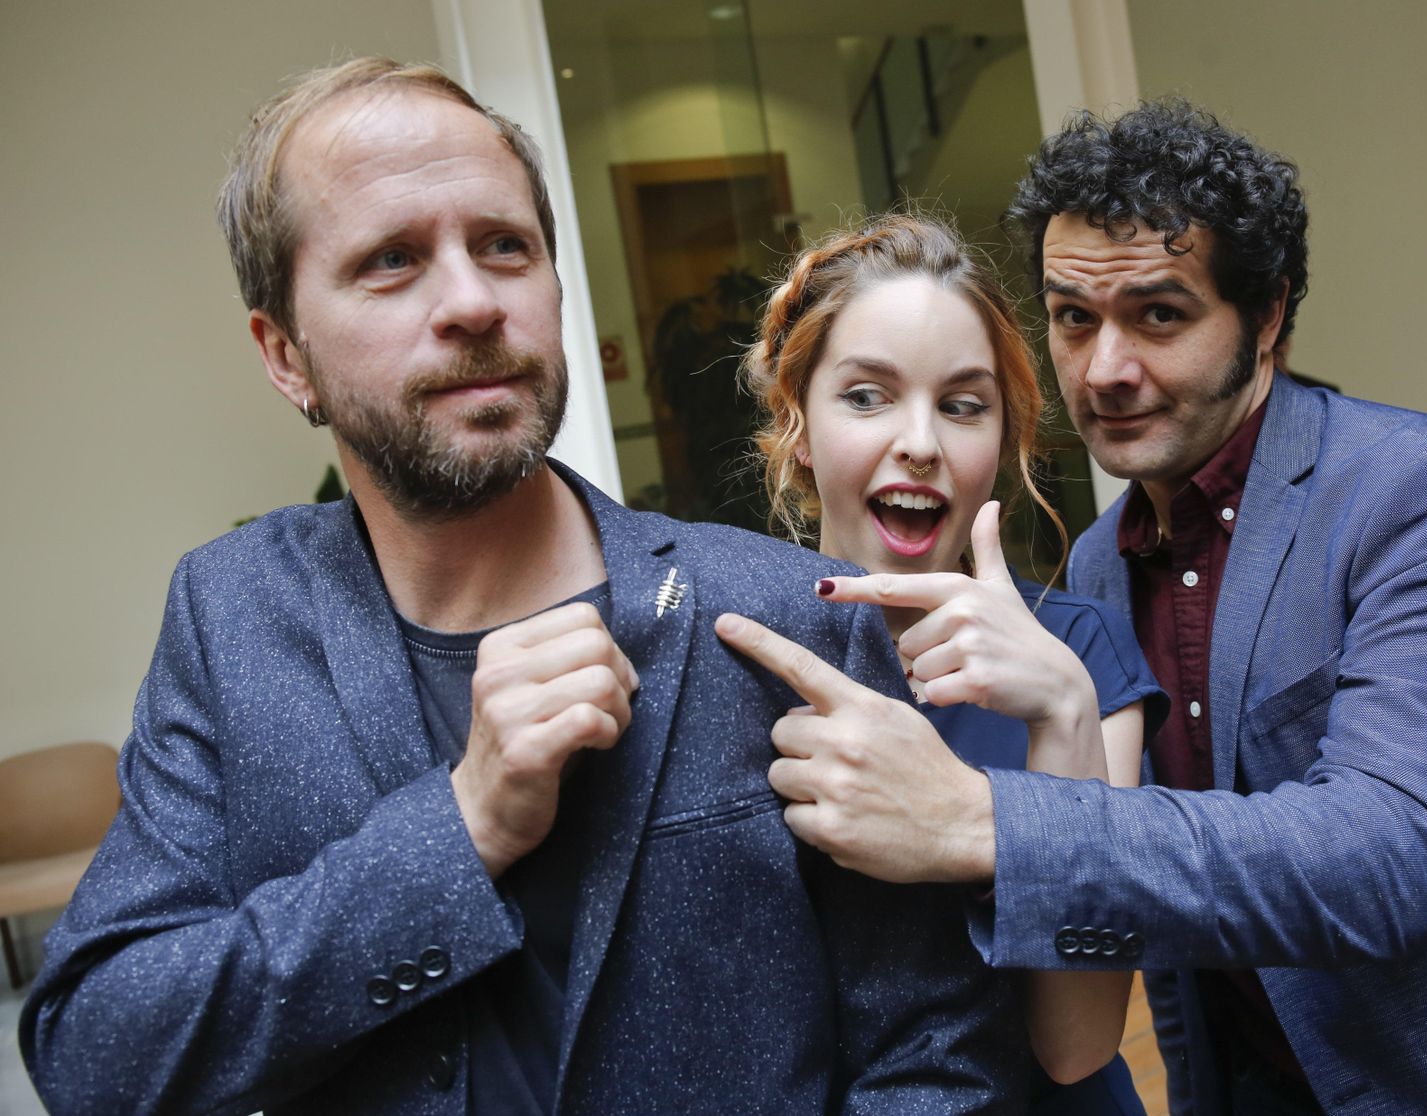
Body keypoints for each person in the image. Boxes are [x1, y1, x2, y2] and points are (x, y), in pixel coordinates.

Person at [19, 58, 1026, 1115]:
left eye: (504, 246)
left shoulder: (785, 618)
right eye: (392, 260)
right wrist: (458, 834)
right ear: (285, 356)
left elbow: (942, 1059)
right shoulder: (231, 618)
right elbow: (98, 1054)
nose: (470, 302)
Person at [716, 101, 1427, 1115]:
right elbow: (1158, 942)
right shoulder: (1098, 572)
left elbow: (1384, 857)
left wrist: (984, 820)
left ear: (1264, 319)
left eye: (1159, 316)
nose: (1105, 370)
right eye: (1074, 318)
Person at [741, 214, 1169, 1115]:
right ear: (799, 426)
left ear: (1002, 443)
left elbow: (1078, 1041)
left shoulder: (1080, 650)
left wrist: (1062, 711)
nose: (922, 442)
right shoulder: (739, 654)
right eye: (867, 397)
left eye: (963, 404)